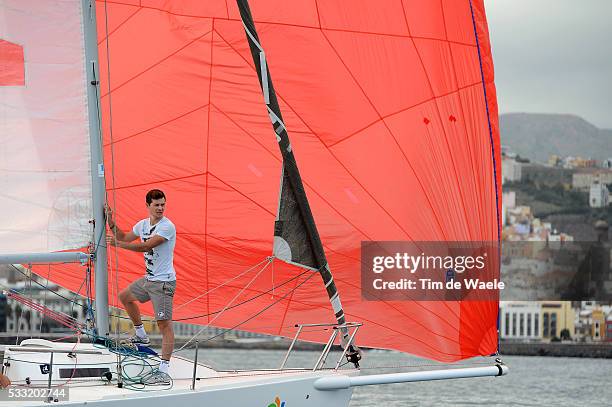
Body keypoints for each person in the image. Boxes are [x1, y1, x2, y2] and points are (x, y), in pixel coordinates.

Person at [106, 189, 176, 385]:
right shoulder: (143, 225)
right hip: (149, 279)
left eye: (163, 204)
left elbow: (146, 247)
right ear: (148, 206)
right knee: (125, 297)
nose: (161, 208)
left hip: (163, 282)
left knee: (164, 325)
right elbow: (124, 236)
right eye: (156, 205)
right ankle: (142, 336)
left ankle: (163, 370)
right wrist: (110, 220)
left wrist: (117, 245)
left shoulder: (167, 226)